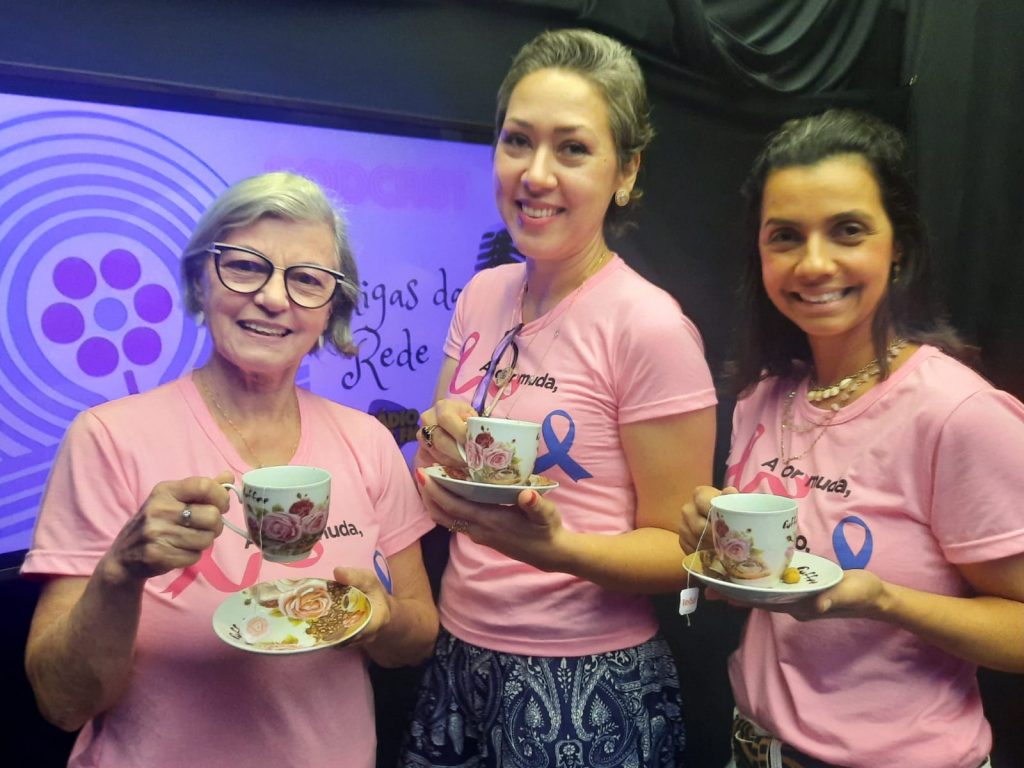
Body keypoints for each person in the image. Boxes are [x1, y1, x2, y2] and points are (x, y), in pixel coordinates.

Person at [22, 172, 439, 768]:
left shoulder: (367, 441)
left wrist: (380, 618)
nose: (273, 298)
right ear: (201, 278)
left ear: (331, 309)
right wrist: (120, 572)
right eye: (245, 266)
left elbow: (415, 640)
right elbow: (62, 703)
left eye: (307, 280)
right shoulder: (107, 439)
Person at [400, 28, 718, 768]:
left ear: (626, 171)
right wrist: (436, 437)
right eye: (517, 141)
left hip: (588, 677)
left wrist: (559, 550)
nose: (535, 174)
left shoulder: (649, 326)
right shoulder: (481, 295)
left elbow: (684, 551)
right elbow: (439, 469)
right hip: (459, 652)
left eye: (572, 148)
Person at [679, 109, 1024, 768]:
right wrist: (710, 551)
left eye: (848, 230)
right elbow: (750, 588)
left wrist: (886, 602)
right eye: (786, 236)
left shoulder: (958, 414)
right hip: (753, 748)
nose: (814, 263)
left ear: (899, 246)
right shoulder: (762, 398)